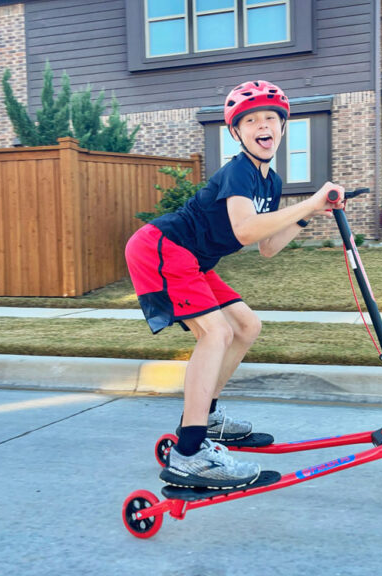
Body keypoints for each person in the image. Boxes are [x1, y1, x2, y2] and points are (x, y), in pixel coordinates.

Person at [125, 80, 344, 490]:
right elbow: (244, 231)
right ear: (236, 133)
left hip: (195, 259)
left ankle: (206, 416)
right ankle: (189, 453)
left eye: (270, 118)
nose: (263, 125)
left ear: (282, 127)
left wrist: (311, 214)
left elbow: (268, 246)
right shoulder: (239, 171)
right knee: (216, 332)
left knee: (246, 326)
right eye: (251, 120)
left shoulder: (271, 181)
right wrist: (312, 200)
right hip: (162, 247)